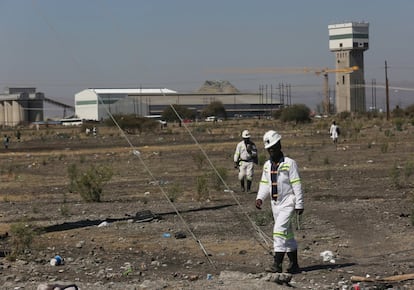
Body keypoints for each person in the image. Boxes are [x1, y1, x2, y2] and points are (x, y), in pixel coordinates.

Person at [255, 130, 304, 274]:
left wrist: (299, 203)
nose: (272, 150)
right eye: (269, 148)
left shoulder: (290, 164)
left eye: (274, 147)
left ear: (280, 145)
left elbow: (296, 184)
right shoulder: (267, 166)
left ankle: (277, 265)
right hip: (275, 204)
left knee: (278, 232)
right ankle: (294, 265)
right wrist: (260, 198)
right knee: (287, 234)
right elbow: (265, 184)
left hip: (288, 202)